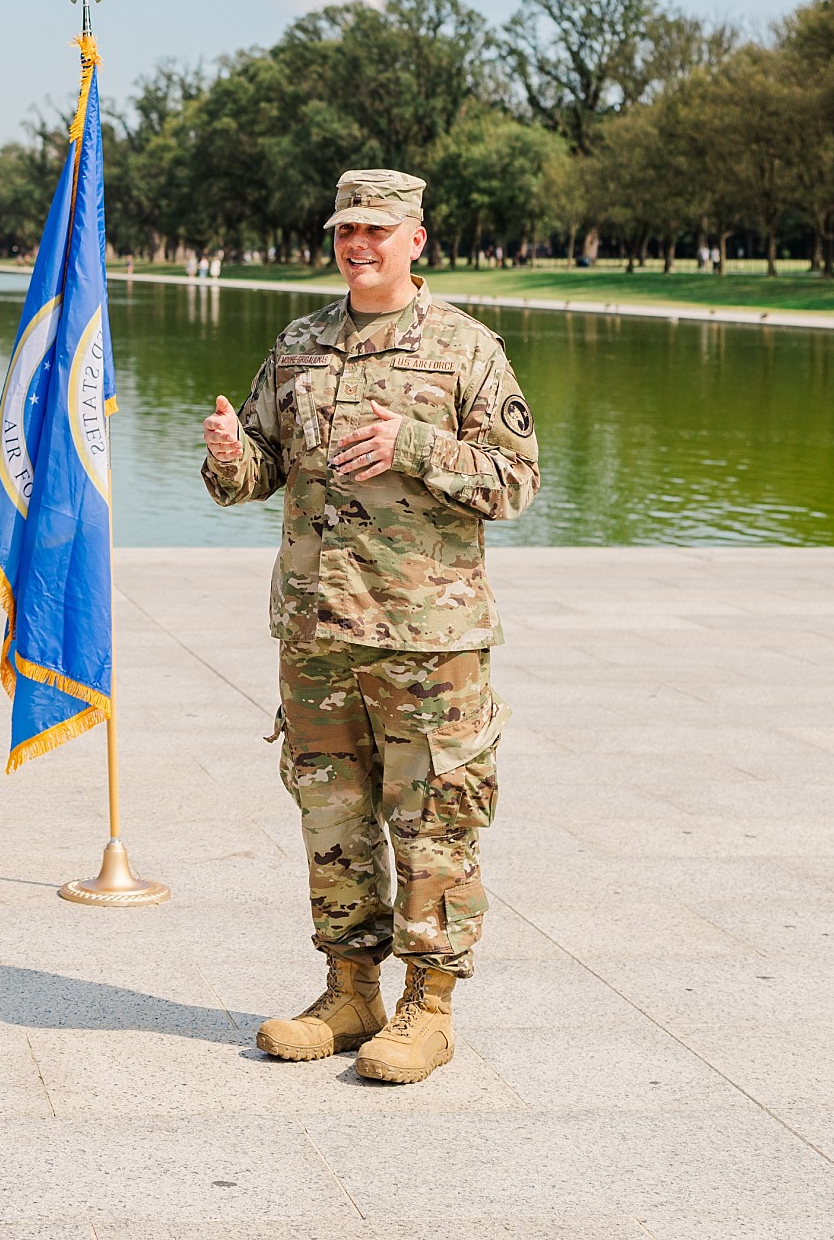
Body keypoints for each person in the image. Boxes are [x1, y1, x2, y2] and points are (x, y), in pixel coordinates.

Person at [200, 169, 540, 1084]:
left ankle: (430, 1008)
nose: (357, 245)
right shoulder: (301, 344)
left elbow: (516, 482)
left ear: (416, 240)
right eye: (346, 229)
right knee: (330, 812)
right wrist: (232, 456)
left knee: (434, 815)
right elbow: (262, 470)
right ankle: (350, 992)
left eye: (376, 231)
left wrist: (414, 445)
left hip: (427, 637)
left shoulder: (466, 349)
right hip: (317, 632)